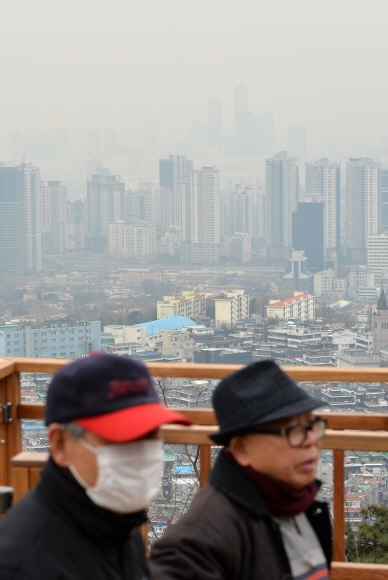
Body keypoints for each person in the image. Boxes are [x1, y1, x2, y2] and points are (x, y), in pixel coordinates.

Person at [0, 352, 191, 580]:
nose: (139, 453)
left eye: (149, 435)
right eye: (119, 437)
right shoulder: (21, 565)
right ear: (60, 445)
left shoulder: (117, 522)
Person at [150, 360, 332, 580]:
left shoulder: (296, 502)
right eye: (294, 430)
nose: (312, 440)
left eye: (313, 426)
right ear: (241, 449)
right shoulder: (202, 539)